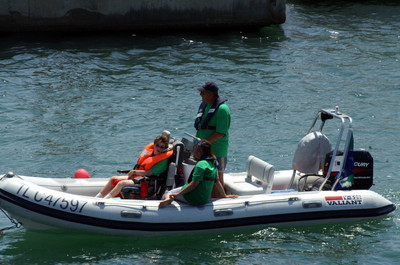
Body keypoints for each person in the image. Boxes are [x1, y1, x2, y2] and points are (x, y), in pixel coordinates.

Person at [159, 140, 237, 208]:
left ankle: (167, 199)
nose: (194, 152)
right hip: (204, 199)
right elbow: (217, 181)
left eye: (196, 150)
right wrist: (224, 195)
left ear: (200, 152)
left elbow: (194, 184)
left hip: (193, 198)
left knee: (168, 192)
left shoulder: (201, 165)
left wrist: (178, 194)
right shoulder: (213, 163)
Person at [95, 135, 173, 199]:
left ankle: (105, 200)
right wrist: (134, 172)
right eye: (157, 145)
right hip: (140, 177)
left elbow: (148, 173)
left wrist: (134, 171)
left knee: (121, 183)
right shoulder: (151, 153)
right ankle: (97, 198)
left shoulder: (162, 161)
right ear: (154, 145)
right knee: (113, 178)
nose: (159, 148)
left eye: (162, 147)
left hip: (148, 182)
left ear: (165, 148)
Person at [194, 81, 231, 197]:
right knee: (206, 175)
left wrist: (202, 143)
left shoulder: (222, 110)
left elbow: (220, 133)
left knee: (218, 177)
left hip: (217, 150)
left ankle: (220, 198)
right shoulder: (205, 105)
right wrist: (197, 145)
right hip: (203, 149)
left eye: (202, 93)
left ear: (210, 94)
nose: (200, 95)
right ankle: (209, 197)